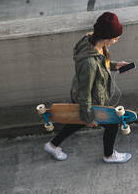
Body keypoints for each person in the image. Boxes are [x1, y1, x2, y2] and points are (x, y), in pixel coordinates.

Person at [44, 12, 132, 163]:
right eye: (116, 38)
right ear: (106, 38)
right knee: (112, 124)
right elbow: (85, 92)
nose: (117, 40)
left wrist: (114, 65)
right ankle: (109, 155)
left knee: (77, 121)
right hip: (91, 97)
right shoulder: (88, 63)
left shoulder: (91, 42)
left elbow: (100, 64)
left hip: (89, 93)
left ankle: (52, 145)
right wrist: (89, 117)